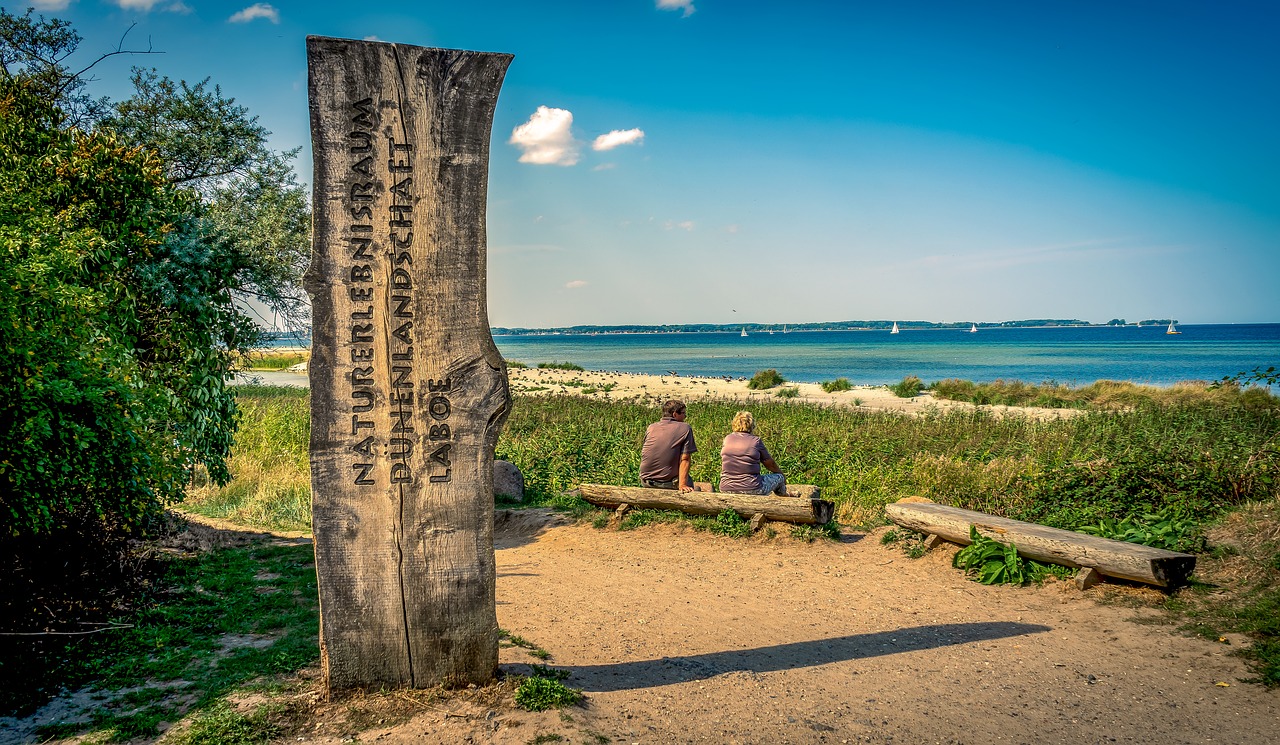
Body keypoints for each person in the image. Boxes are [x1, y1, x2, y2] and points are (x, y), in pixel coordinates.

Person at [719, 410, 788, 496]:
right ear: (751, 425)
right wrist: (782, 475)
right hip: (752, 488)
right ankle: (786, 497)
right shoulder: (756, 441)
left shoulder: (727, 439)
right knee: (779, 477)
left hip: (725, 488)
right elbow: (770, 464)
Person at [639, 399, 697, 492]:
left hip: (646, 482)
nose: (685, 416)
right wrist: (682, 485)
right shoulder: (685, 428)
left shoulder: (651, 427)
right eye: (683, 413)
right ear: (675, 414)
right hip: (667, 483)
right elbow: (685, 459)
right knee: (689, 482)